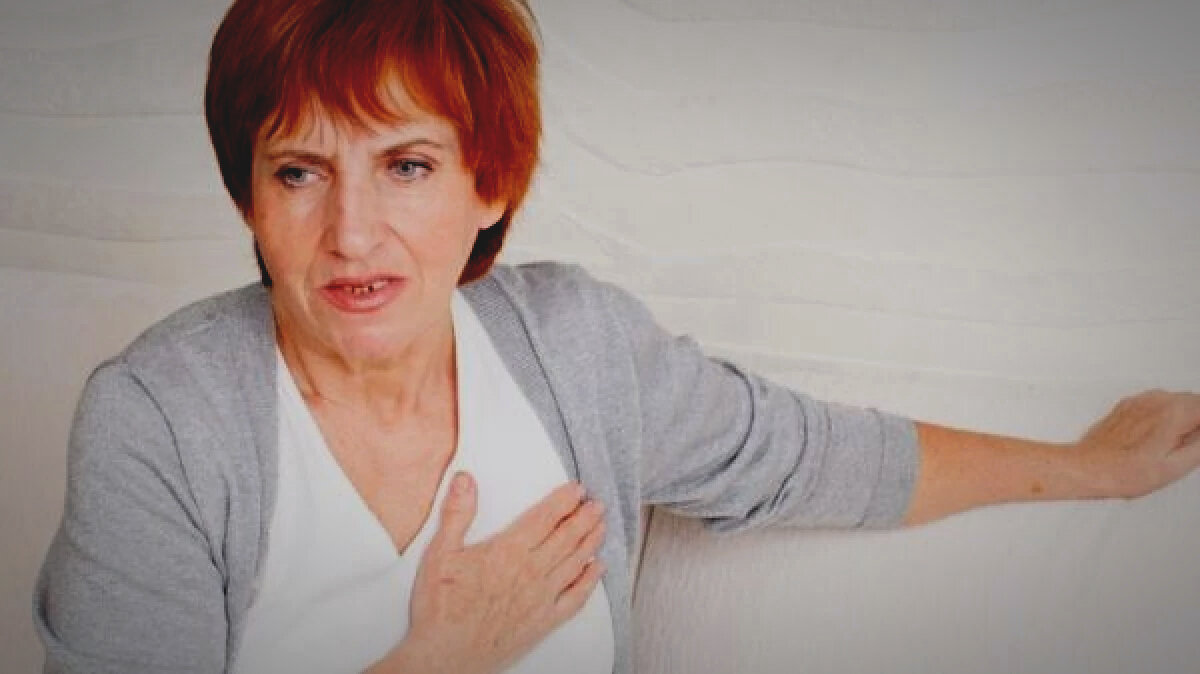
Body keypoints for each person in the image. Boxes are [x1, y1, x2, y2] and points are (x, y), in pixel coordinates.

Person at [32, 0, 1200, 672]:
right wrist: (439, 657)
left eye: (408, 165)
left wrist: (1089, 466)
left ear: (491, 180)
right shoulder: (161, 421)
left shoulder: (577, 348)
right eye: (299, 170)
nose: (351, 232)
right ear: (247, 194)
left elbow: (812, 455)